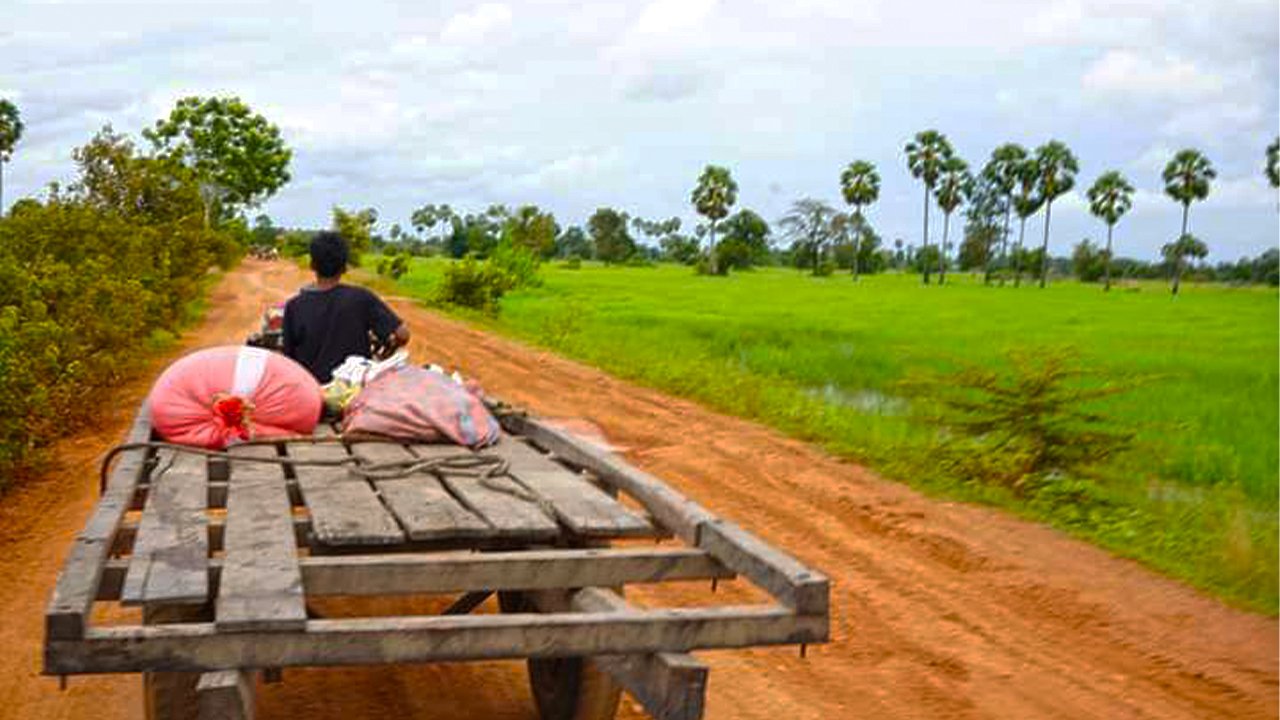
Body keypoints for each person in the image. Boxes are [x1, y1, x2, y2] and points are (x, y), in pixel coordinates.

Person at [283, 231, 410, 382]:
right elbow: (403, 335)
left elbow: (289, 360)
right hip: (354, 392)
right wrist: (385, 353)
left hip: (311, 392)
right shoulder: (362, 297)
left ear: (312, 265)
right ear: (344, 267)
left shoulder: (294, 307)